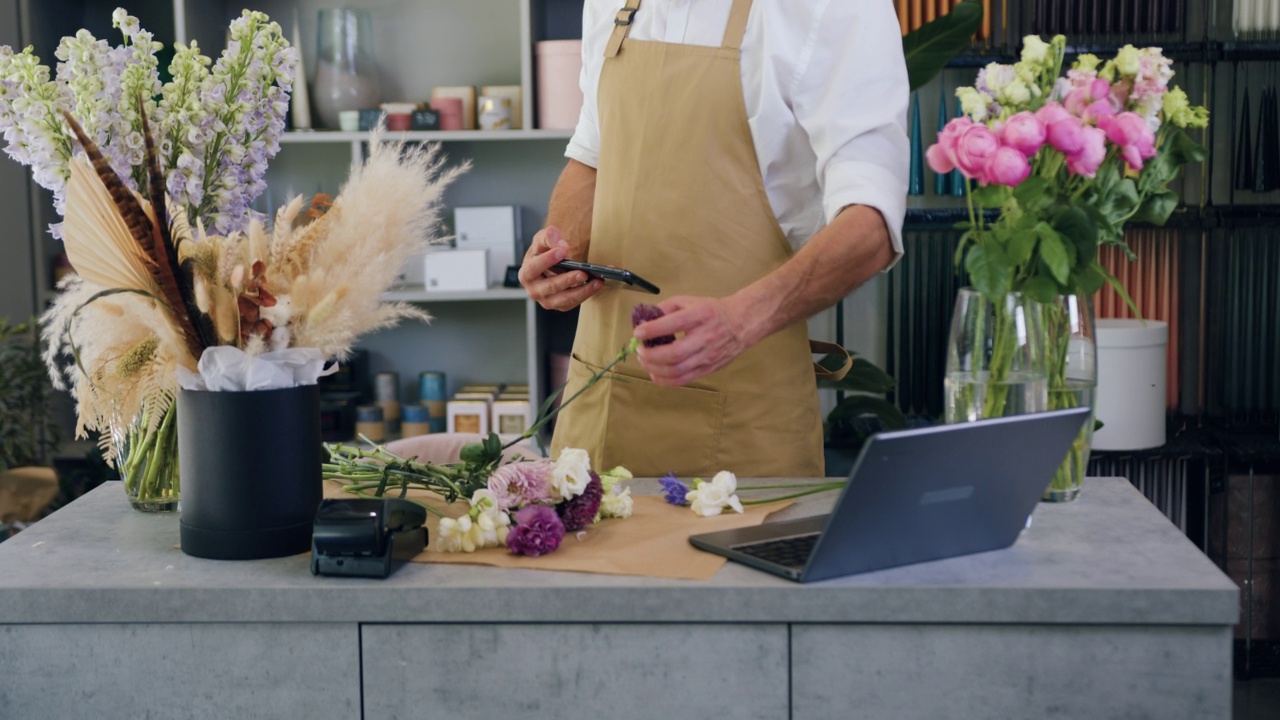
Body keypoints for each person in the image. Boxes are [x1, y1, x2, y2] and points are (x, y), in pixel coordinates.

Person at [519, 0, 909, 478]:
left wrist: (740, 321)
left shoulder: (836, 9)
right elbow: (593, 153)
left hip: (745, 424)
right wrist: (559, 250)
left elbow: (872, 223)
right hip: (599, 403)